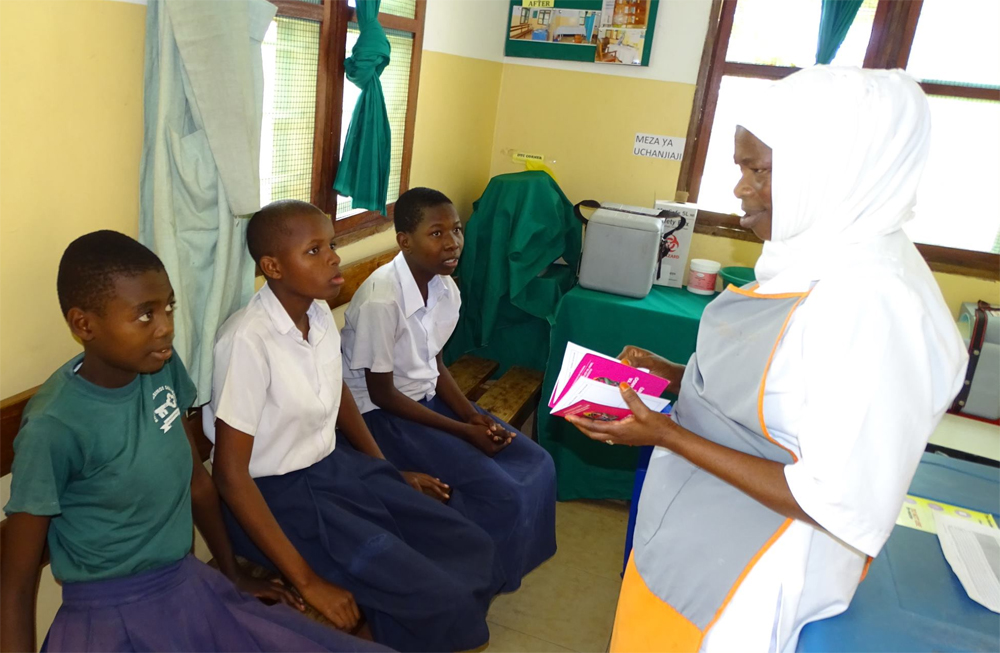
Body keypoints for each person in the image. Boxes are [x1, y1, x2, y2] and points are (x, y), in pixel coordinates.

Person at [569, 67, 968, 653]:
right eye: (740, 167)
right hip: (698, 527)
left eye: (760, 170)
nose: (740, 189)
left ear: (831, 171)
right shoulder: (811, 254)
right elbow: (785, 397)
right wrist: (676, 376)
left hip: (756, 569)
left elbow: (829, 494)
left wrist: (668, 436)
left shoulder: (873, 301)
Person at [0, 231, 384, 653]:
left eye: (168, 307)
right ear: (83, 324)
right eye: (145, 315)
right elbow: (15, 587)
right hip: (113, 616)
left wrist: (233, 576)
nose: (166, 328)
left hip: (187, 583)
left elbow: (197, 483)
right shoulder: (55, 425)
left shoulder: (157, 366)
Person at [203, 200, 500, 652]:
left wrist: (386, 473)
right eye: (315, 250)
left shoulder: (317, 312)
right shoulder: (248, 341)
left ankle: (386, 630)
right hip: (281, 500)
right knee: (435, 593)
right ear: (272, 266)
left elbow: (339, 394)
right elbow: (229, 473)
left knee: (470, 545)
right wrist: (307, 581)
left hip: (337, 471)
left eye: (332, 244)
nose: (333, 258)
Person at [341, 187, 557, 593]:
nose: (453, 242)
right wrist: (462, 430)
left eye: (457, 230)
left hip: (426, 400)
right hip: (382, 417)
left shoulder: (445, 289)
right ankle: (478, 582)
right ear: (404, 240)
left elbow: (434, 362)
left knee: (538, 463)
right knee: (501, 493)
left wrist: (473, 415)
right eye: (436, 233)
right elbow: (383, 393)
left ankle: (504, 566)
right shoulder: (381, 300)